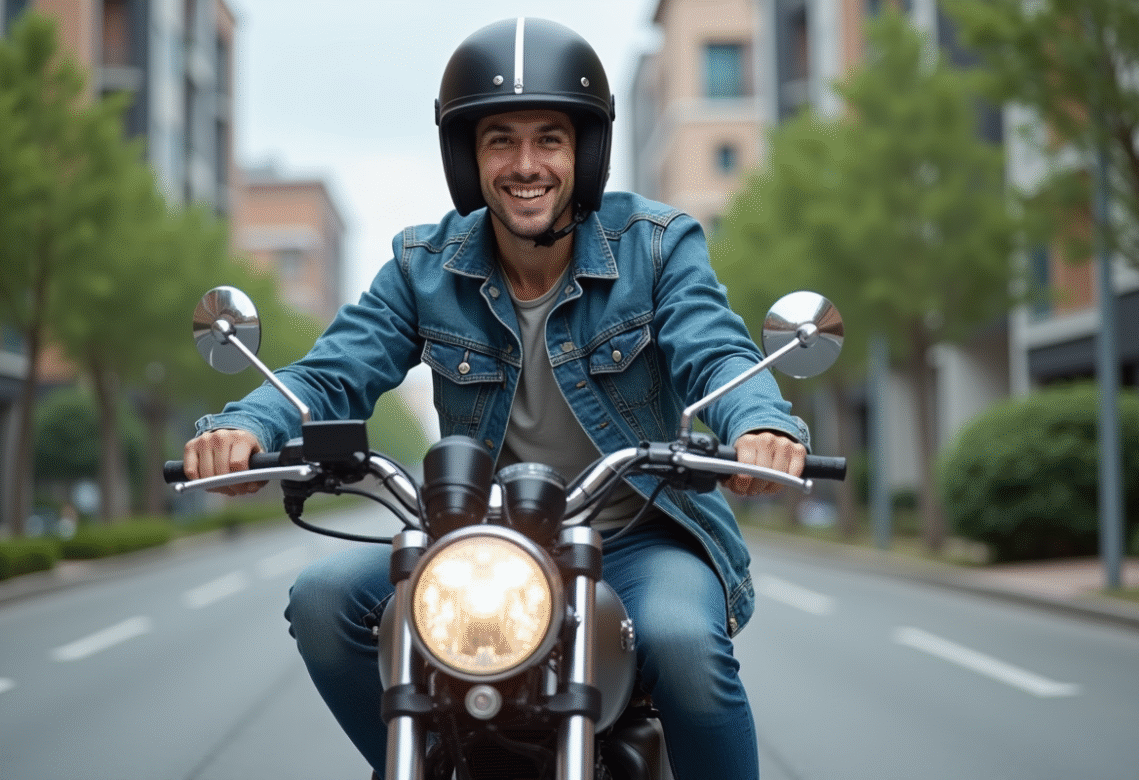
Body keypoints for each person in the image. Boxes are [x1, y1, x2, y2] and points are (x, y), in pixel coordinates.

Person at [183, 17, 809, 780]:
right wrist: (248, 424)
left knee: (682, 643)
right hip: (480, 540)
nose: (526, 165)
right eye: (499, 140)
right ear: (467, 158)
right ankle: (426, 761)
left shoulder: (658, 244)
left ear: (584, 150)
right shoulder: (422, 266)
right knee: (320, 600)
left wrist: (761, 425)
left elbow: (717, 351)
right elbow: (329, 372)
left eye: (549, 138)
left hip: (640, 534)